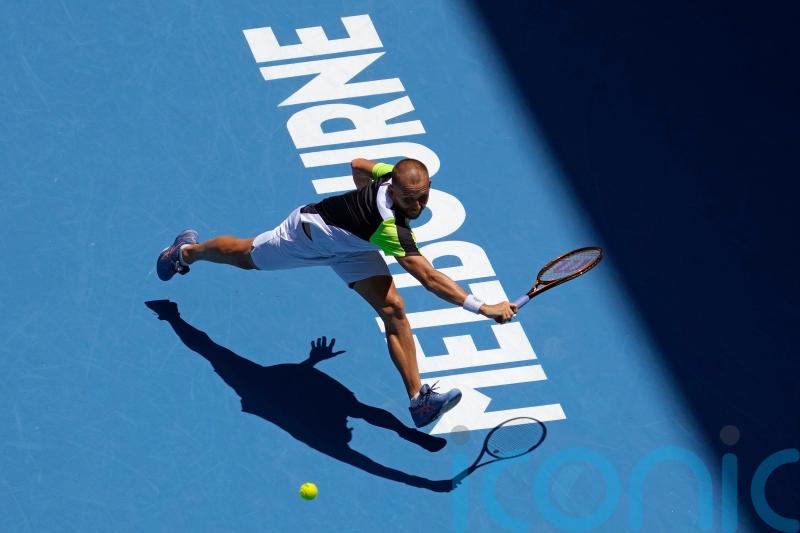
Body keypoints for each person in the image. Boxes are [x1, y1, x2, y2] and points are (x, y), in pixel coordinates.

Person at [156, 158, 517, 428]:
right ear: (393, 190)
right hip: (307, 236)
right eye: (410, 201)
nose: (418, 208)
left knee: (393, 309)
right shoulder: (390, 227)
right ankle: (186, 253)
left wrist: (359, 201)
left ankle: (418, 401)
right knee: (243, 256)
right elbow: (429, 278)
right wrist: (483, 308)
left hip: (355, 246)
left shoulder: (390, 175)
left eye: (423, 198)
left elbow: (358, 165)